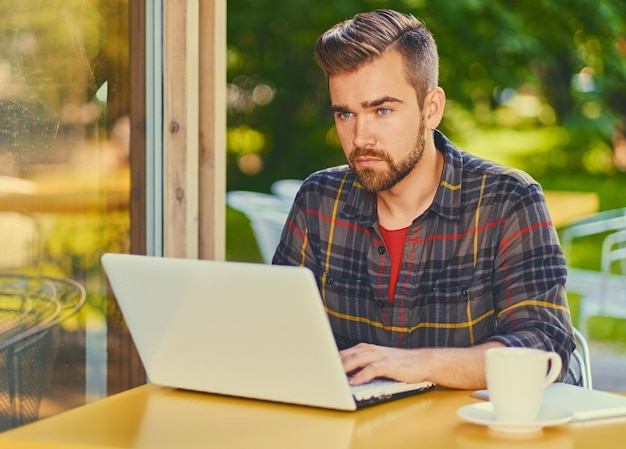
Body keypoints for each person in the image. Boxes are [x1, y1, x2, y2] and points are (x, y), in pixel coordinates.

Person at [272, 9, 579, 389]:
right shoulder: (318, 201)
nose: (360, 136)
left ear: (431, 108)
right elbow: (277, 332)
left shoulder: (508, 200)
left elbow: (544, 348)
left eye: (382, 110)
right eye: (345, 114)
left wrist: (422, 364)